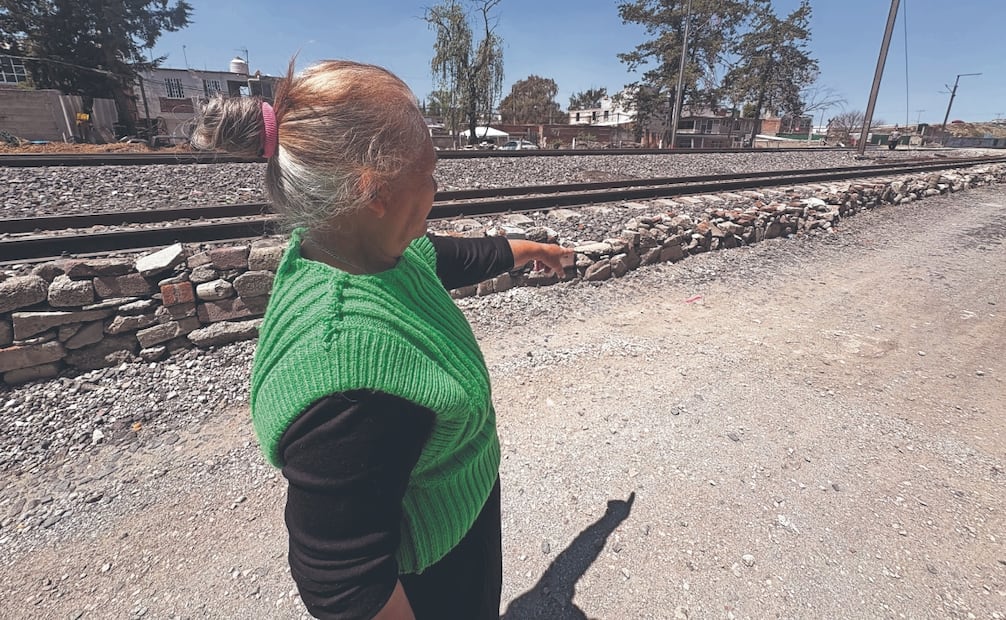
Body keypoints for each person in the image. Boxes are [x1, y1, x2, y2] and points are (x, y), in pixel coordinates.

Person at [190, 60, 572, 619]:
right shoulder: (350, 379)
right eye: (431, 173)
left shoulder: (354, 248)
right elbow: (344, 583)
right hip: (432, 583)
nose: (437, 190)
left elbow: (450, 255)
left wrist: (531, 249)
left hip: (458, 532)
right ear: (374, 191)